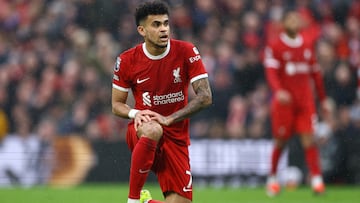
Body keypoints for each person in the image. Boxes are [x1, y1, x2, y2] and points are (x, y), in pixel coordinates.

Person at [111, 1, 212, 203]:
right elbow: (116, 105)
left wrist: (170, 118)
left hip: (176, 137)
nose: (163, 29)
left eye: (166, 23)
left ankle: (146, 202)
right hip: (143, 129)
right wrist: (135, 114)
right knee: (153, 129)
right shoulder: (127, 60)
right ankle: (132, 199)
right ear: (142, 30)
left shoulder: (186, 51)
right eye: (156, 25)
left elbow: (205, 97)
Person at [263, 10, 331, 196]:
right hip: (284, 103)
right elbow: (271, 73)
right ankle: (273, 179)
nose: (294, 22)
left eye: (296, 19)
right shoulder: (275, 46)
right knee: (281, 141)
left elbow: (316, 75)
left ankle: (317, 181)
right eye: (290, 19)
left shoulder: (308, 45)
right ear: (283, 24)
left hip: (305, 101)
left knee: (309, 140)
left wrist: (323, 100)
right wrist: (279, 91)